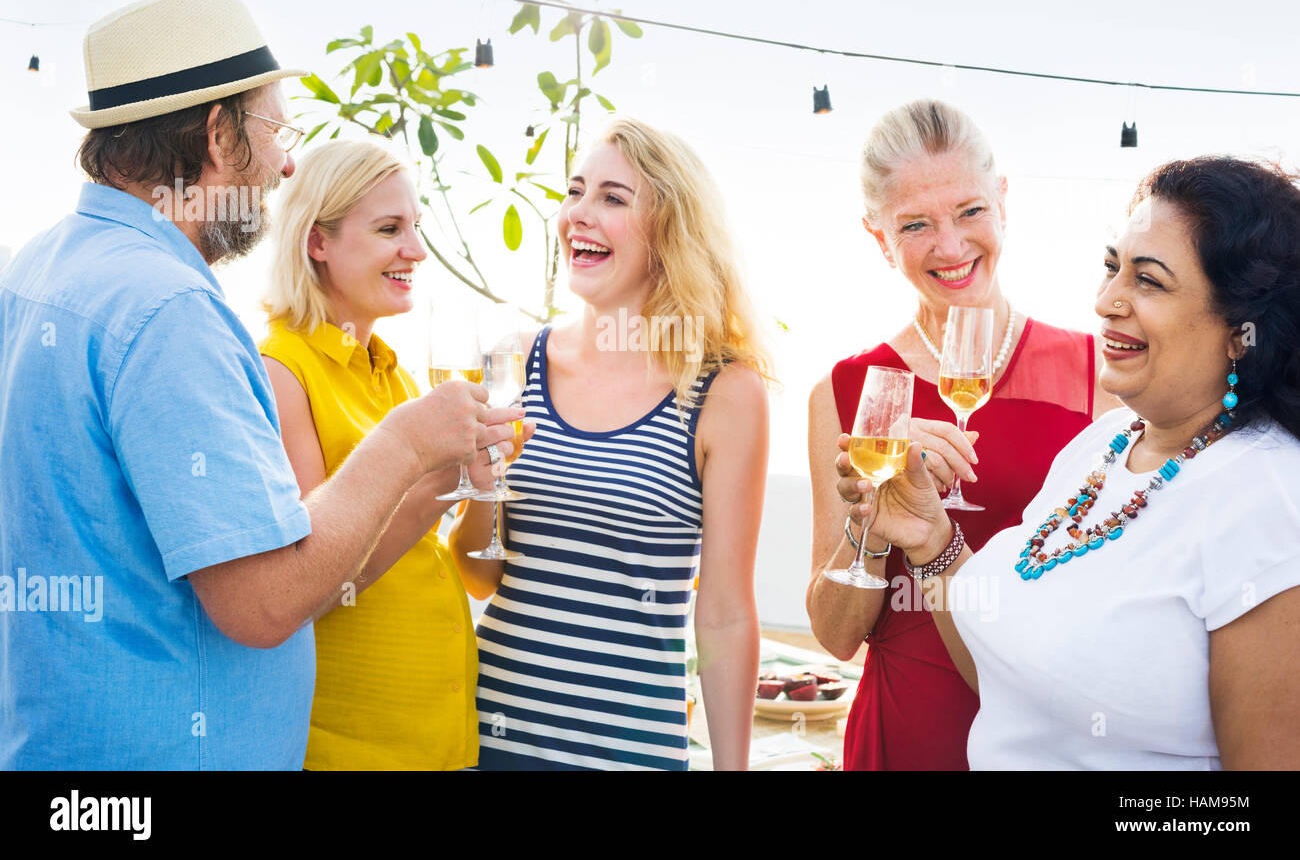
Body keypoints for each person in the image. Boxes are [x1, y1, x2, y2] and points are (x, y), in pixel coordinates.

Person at [0, 0, 519, 769]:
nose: (285, 164)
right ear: (217, 134)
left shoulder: (39, 265)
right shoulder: (170, 309)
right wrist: (408, 441)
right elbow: (265, 601)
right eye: (276, 129)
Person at [843, 155, 1300, 769]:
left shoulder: (1268, 500)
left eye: (1149, 281)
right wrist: (929, 536)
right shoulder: (1103, 444)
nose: (1108, 301)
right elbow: (1009, 681)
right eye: (1113, 268)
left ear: (1241, 330)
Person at [806, 99, 1123, 770]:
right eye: (915, 223)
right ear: (879, 239)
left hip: (1046, 742)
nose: (950, 247)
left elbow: (1110, 604)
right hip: (901, 736)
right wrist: (869, 520)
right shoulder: (848, 391)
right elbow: (836, 636)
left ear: (1003, 201)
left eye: (970, 211)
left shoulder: (1096, 377)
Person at [450, 117, 772, 770]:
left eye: (612, 198)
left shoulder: (724, 393)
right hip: (489, 739)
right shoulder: (514, 360)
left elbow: (726, 612)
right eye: (575, 192)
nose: (578, 215)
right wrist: (480, 490)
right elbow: (477, 572)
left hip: (634, 751)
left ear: (669, 233)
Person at [260, 139, 531, 770]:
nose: (415, 250)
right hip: (350, 746)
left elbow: (462, 566)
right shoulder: (283, 372)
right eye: (389, 229)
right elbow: (310, 583)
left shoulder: (398, 378)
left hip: (443, 738)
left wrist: (482, 483)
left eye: (416, 227)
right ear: (316, 241)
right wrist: (437, 472)